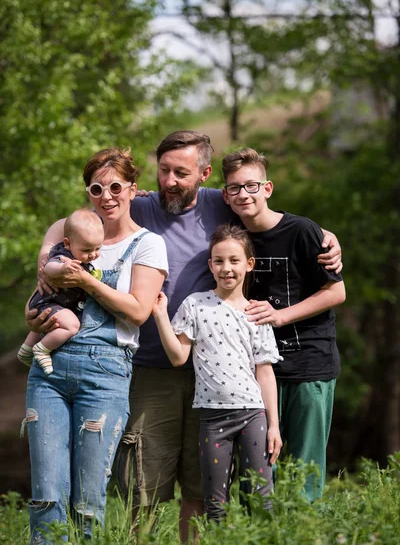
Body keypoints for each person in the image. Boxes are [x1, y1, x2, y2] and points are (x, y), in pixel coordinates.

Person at [27, 131, 342, 542]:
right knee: (143, 477)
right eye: (164, 171)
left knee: (201, 481)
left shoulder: (219, 202)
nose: (171, 181)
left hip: (210, 371)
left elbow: (264, 212)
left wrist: (324, 236)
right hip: (148, 366)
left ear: (204, 174)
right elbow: (81, 216)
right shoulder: (139, 203)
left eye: (181, 172)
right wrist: (47, 251)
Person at [23, 148, 168, 544]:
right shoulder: (65, 232)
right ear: (88, 192)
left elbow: (138, 312)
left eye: (116, 187)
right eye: (97, 188)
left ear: (133, 190)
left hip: (105, 374)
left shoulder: (147, 244)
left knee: (88, 501)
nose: (107, 195)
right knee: (46, 496)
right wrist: (33, 318)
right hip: (50, 368)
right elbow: (38, 298)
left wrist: (87, 281)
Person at [221, 147, 346, 501]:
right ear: (226, 195)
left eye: (251, 186)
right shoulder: (232, 238)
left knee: (304, 477)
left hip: (309, 365)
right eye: (234, 188)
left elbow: (336, 293)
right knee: (255, 479)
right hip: (254, 374)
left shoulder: (303, 231)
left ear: (268, 188)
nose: (244, 194)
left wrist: (280, 316)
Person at [152, 224, 283, 521]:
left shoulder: (256, 312)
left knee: (262, 497)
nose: (227, 268)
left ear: (249, 265)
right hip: (212, 418)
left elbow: (265, 372)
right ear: (210, 265)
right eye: (219, 261)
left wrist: (274, 425)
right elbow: (178, 357)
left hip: (253, 415)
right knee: (214, 504)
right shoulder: (195, 305)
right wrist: (160, 316)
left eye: (234, 261)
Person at [17, 208, 104, 375]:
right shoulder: (64, 256)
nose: (93, 254)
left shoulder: (82, 256)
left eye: (97, 249)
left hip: (56, 302)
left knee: (51, 321)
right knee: (71, 325)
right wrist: (62, 268)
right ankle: (42, 349)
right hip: (48, 301)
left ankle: (26, 348)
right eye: (87, 250)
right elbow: (49, 267)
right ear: (67, 243)